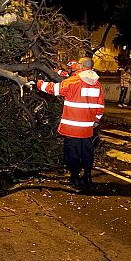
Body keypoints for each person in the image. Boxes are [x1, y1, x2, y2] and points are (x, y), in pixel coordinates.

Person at [35, 56, 105, 191]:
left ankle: (75, 178)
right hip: (87, 129)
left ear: (81, 66)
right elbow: (100, 107)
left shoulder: (74, 81)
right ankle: (88, 176)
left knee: (72, 154)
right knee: (87, 153)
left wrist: (37, 83)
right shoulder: (97, 84)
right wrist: (95, 121)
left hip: (72, 128)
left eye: (78, 63)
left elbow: (54, 89)